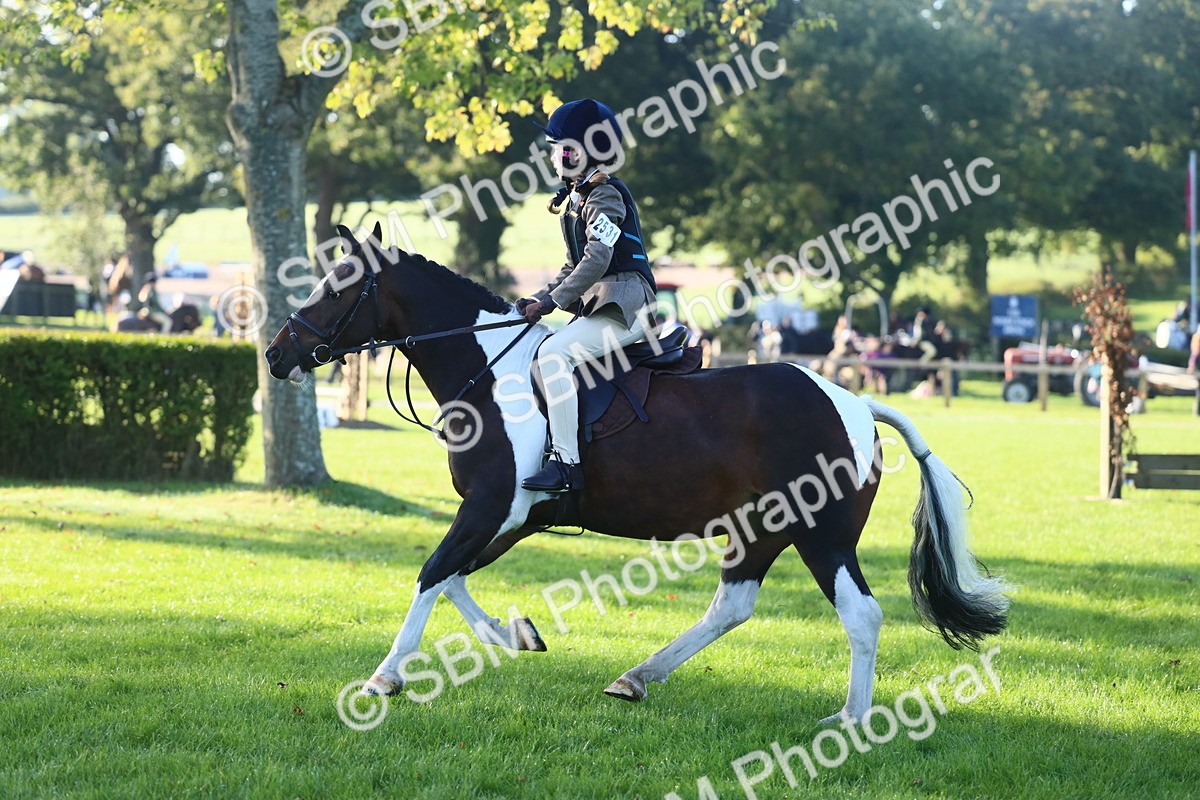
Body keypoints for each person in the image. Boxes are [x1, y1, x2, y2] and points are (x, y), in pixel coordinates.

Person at [518, 98, 657, 493]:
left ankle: (567, 465)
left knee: (552, 354)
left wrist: (553, 303)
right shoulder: (579, 201)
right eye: (555, 149)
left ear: (586, 152)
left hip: (627, 307)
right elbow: (571, 267)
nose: (555, 157)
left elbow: (598, 259)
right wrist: (536, 299)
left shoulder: (605, 197)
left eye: (562, 148)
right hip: (604, 308)